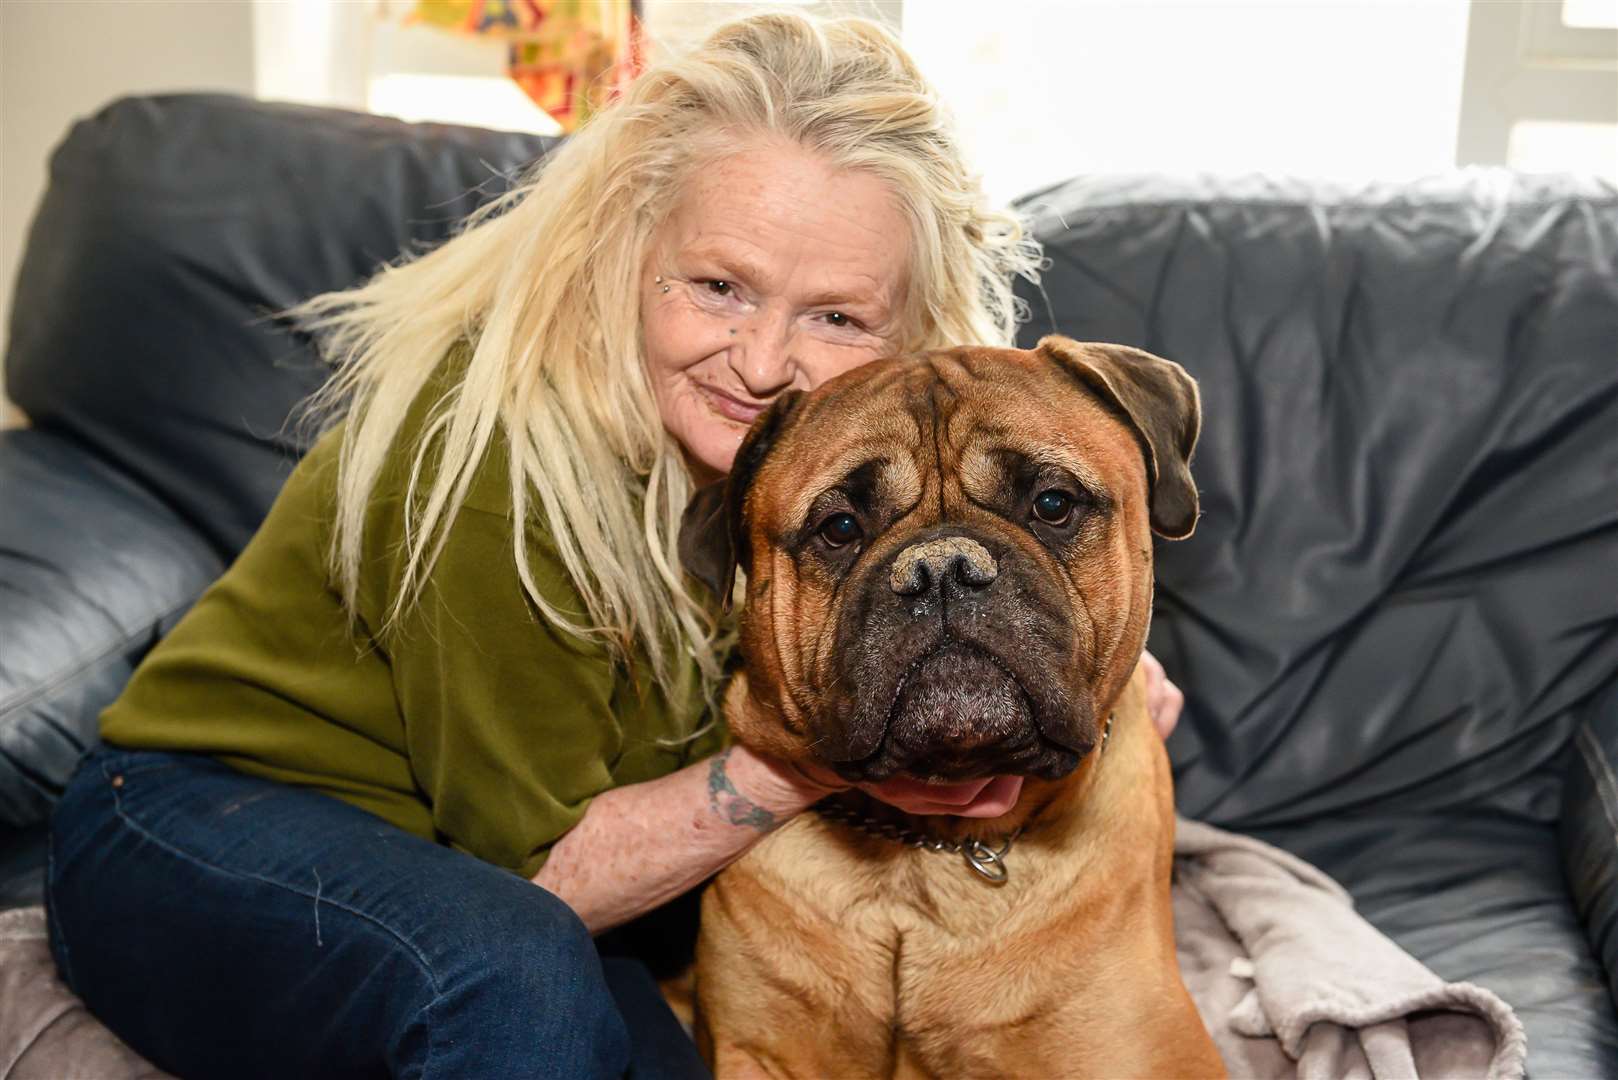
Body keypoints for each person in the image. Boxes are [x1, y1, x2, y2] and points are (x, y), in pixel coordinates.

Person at [45, 11, 1185, 1078]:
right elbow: (534, 876)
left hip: (496, 892)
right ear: (625, 254)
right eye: (719, 286)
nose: (761, 359)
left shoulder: (841, 465)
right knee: (517, 983)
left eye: (836, 315)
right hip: (206, 829)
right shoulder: (488, 467)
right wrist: (804, 757)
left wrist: (1039, 658)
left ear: (913, 322)